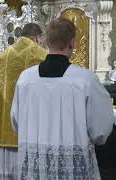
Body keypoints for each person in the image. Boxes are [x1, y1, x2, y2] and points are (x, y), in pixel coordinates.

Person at [11, 18, 115, 179]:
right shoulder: (85, 80)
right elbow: (100, 131)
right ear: (72, 43)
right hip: (70, 168)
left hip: (36, 165)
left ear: (46, 42)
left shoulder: (25, 79)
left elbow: (16, 122)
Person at [0, 23, 47, 180]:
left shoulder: (4, 55)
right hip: (30, 129)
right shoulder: (42, 55)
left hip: (5, 128)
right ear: (38, 38)